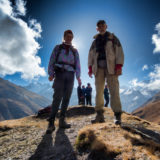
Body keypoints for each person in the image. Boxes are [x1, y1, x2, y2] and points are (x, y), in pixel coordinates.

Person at [88, 20, 124, 125]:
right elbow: (90, 55)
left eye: (103, 25)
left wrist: (119, 65)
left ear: (106, 26)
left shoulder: (113, 38)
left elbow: (119, 51)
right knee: (99, 91)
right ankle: (99, 115)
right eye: (99, 26)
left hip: (111, 68)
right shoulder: (94, 42)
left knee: (114, 91)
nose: (101, 27)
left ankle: (117, 116)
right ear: (97, 29)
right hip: (98, 68)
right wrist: (90, 68)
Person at [47, 30, 81, 133]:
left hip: (70, 75)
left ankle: (62, 121)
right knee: (57, 98)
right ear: (64, 37)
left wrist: (78, 77)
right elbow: (52, 60)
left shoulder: (75, 50)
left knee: (66, 98)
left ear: (72, 38)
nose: (69, 38)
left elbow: (78, 64)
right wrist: (51, 73)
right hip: (60, 74)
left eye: (71, 37)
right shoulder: (58, 48)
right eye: (67, 36)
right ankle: (51, 123)